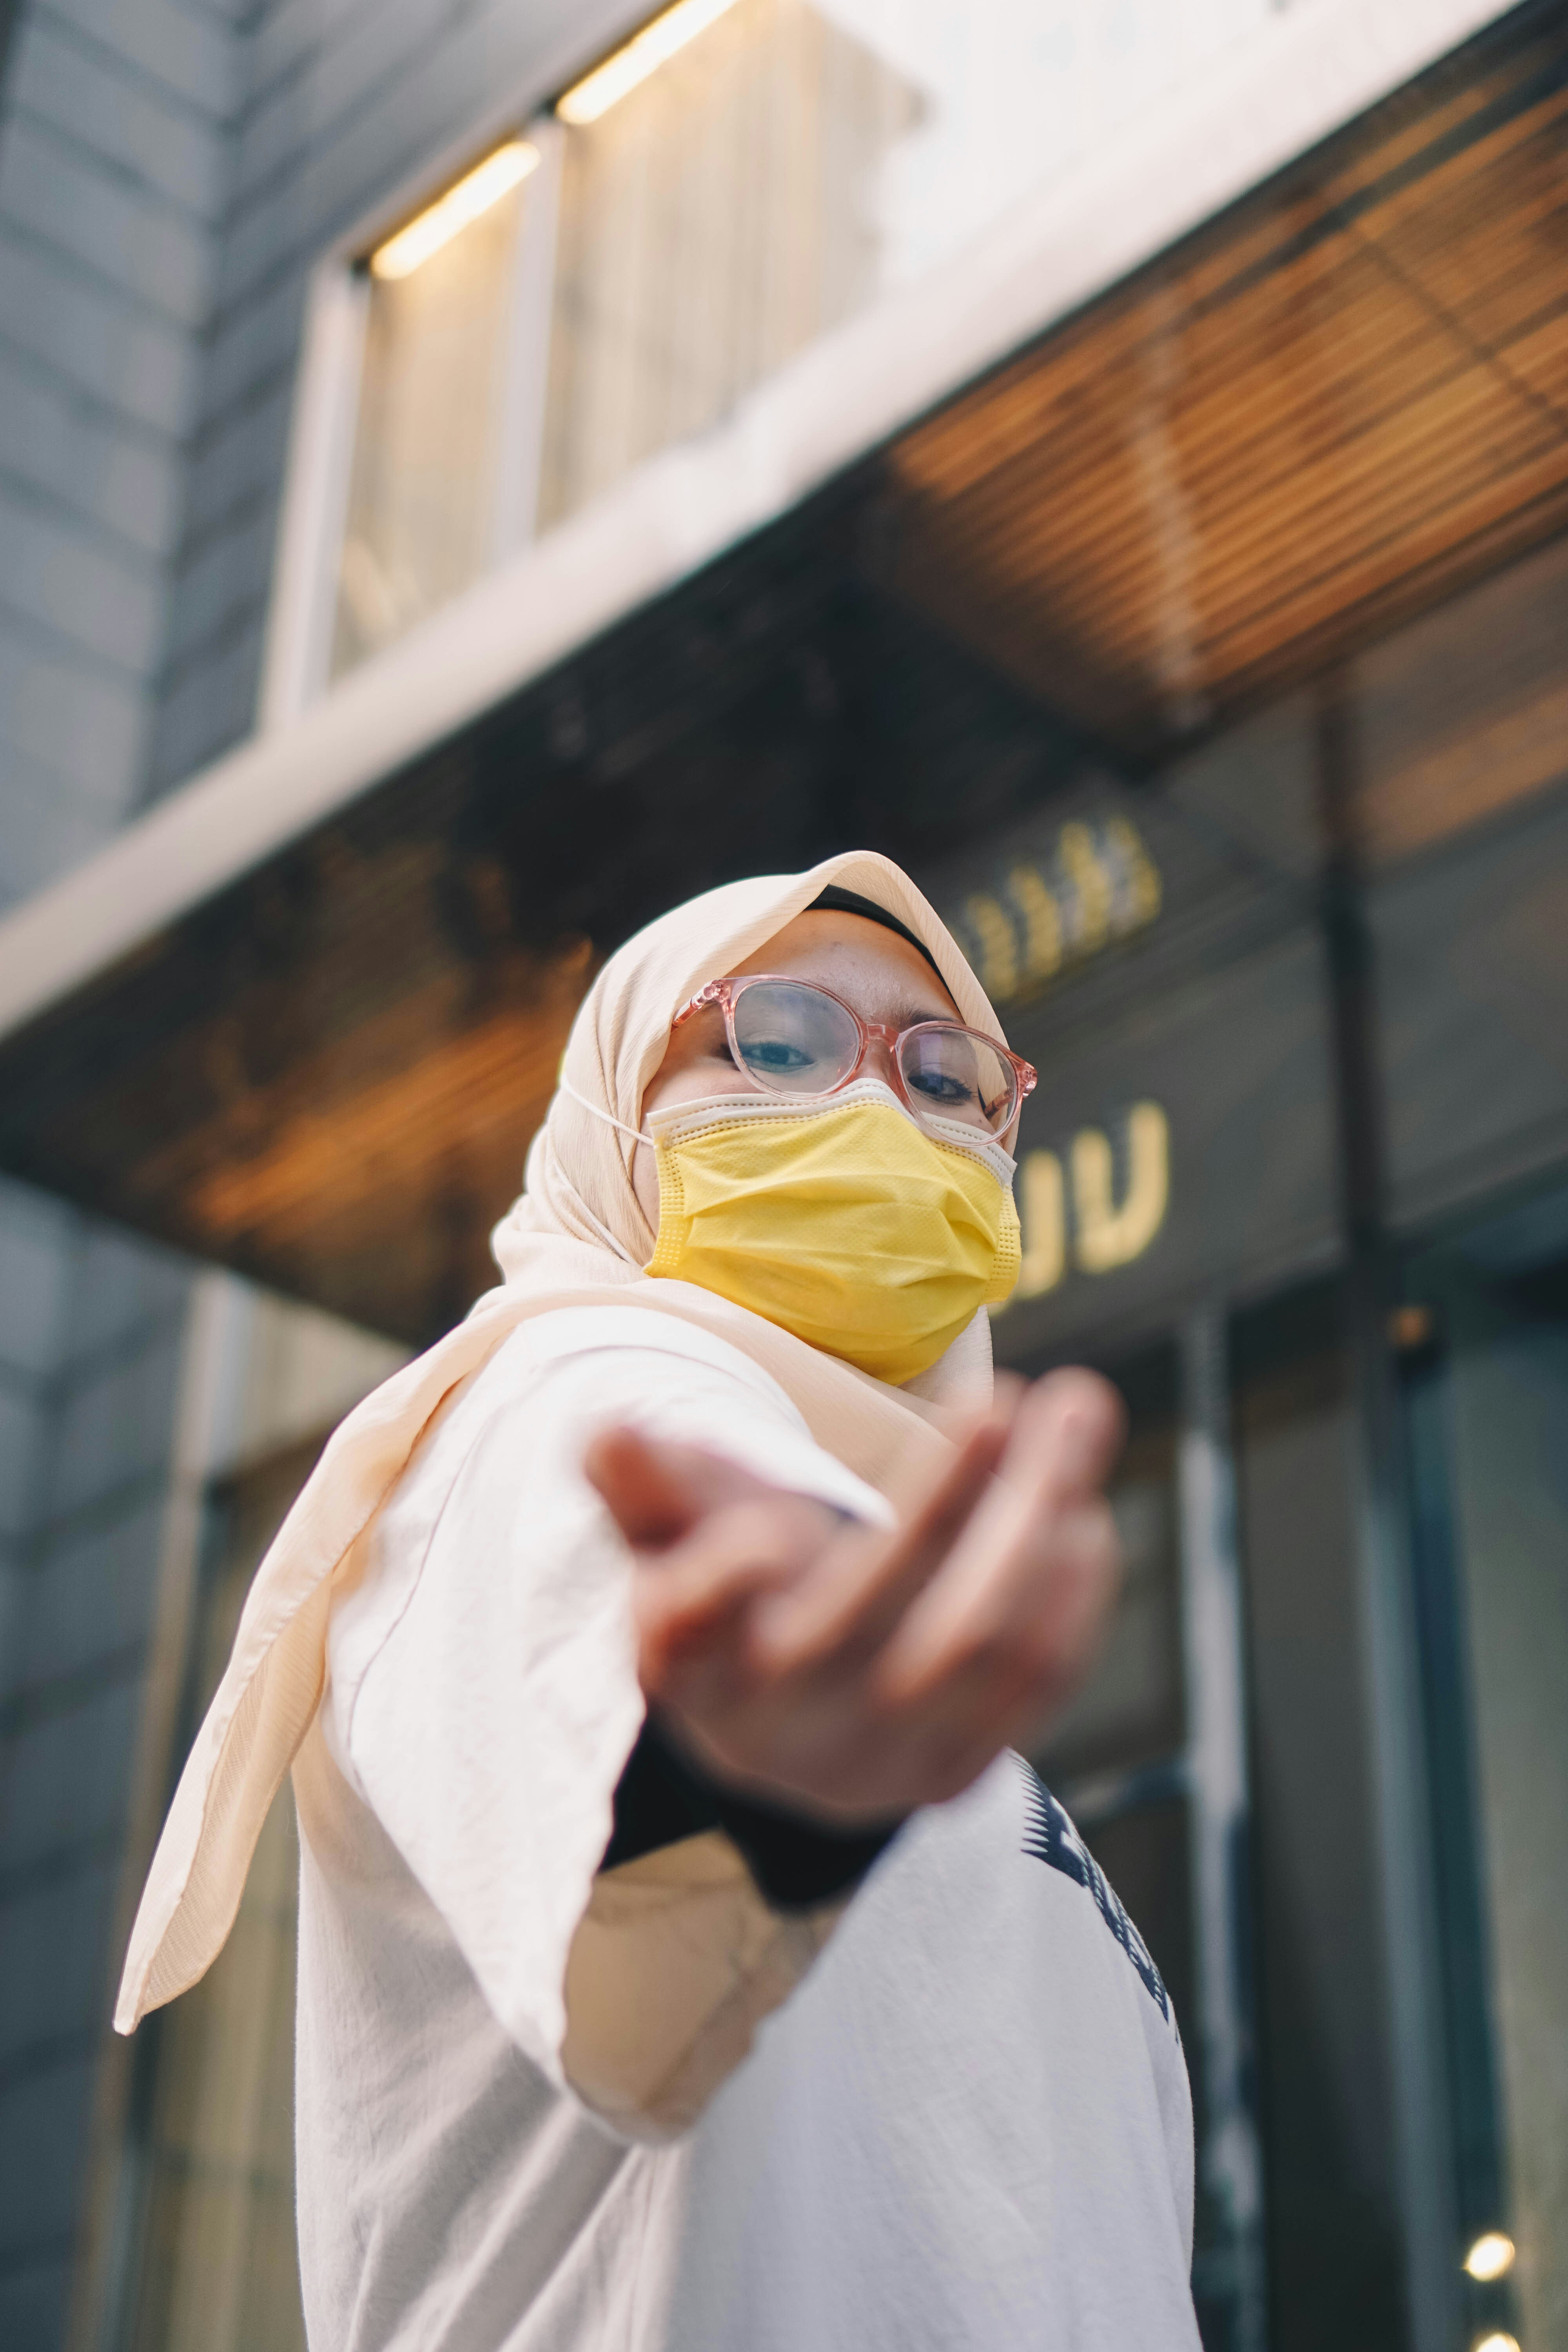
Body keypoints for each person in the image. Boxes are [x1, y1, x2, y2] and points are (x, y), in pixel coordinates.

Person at [117, 853, 1200, 2350]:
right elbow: (637, 1968)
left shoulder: (912, 1676)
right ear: (614, 1118)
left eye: (949, 1078)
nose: (881, 1111)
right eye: (778, 1041)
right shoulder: (573, 1395)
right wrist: (738, 1793)